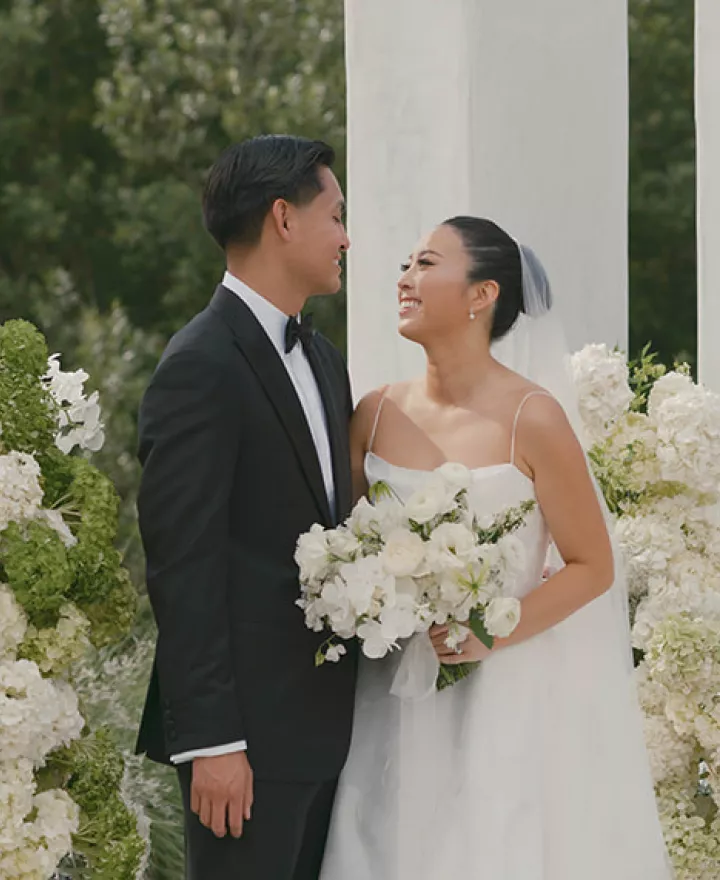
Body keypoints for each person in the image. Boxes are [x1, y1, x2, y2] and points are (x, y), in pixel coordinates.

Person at [320, 217, 672, 879]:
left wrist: (488, 633)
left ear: (481, 295)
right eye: (406, 264)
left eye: (426, 264)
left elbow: (593, 565)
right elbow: (343, 544)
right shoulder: (374, 412)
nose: (404, 279)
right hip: (391, 696)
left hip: (502, 698)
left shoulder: (531, 417)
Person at [135, 135, 357, 880]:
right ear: (283, 219)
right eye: (336, 215)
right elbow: (182, 564)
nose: (346, 238)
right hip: (247, 747)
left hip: (330, 735)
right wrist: (213, 742)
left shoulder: (324, 360)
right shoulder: (200, 364)